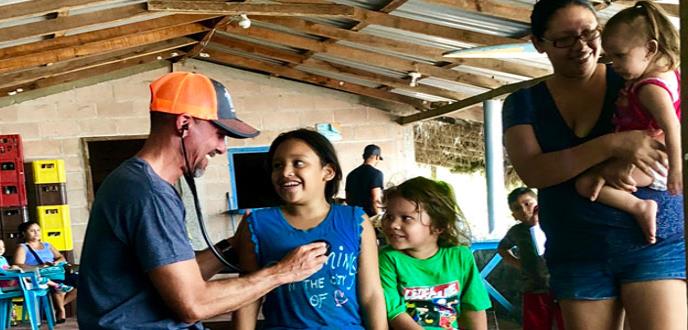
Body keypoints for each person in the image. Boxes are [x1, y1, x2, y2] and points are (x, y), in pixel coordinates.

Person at [77, 72, 329, 329]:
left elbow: (179, 273)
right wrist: (283, 272)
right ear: (184, 124)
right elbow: (193, 304)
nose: (222, 148)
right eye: (219, 134)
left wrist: (233, 245)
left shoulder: (139, 182)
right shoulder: (147, 194)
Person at [502, 0, 686, 329]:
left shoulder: (633, 75)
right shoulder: (523, 102)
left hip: (654, 244)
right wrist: (612, 145)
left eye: (590, 33)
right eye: (564, 39)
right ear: (538, 43)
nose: (582, 46)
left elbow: (671, 138)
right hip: (577, 251)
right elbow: (533, 171)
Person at [232, 129, 386, 329]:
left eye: (298, 163)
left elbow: (371, 294)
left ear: (327, 172)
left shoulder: (356, 221)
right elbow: (247, 298)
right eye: (277, 165)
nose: (285, 172)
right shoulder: (256, 225)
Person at [573, 1, 681, 245]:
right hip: (646, 157)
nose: (615, 65)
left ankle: (640, 207)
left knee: (585, 183)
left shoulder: (650, 89)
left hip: (654, 164)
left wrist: (676, 170)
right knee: (601, 173)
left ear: (650, 49)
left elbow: (673, 126)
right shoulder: (669, 73)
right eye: (610, 57)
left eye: (620, 56)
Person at [379, 176, 491, 330]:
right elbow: (395, 313)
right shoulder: (388, 259)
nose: (393, 225)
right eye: (389, 216)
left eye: (406, 218)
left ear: (439, 226)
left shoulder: (460, 257)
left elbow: (473, 307)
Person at [497, 188, 564, 330]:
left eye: (527, 204)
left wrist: (537, 224)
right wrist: (518, 263)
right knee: (536, 324)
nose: (524, 210)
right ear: (514, 215)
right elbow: (502, 248)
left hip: (561, 284)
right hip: (533, 286)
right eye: (517, 208)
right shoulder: (516, 232)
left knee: (565, 322)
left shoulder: (555, 223)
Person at [13, 221, 77, 324]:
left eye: (38, 230)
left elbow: (61, 257)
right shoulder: (22, 247)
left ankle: (57, 308)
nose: (36, 233)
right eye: (32, 231)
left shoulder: (48, 245)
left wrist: (55, 262)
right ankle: (61, 311)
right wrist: (40, 266)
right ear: (24, 233)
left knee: (82, 283)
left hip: (56, 271)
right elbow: (18, 264)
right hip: (41, 275)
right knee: (59, 285)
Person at [345, 144, 384, 217]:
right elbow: (375, 199)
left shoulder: (351, 174)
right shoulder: (376, 174)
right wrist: (378, 216)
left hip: (354, 216)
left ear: (364, 156)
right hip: (369, 216)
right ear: (377, 157)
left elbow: (348, 199)